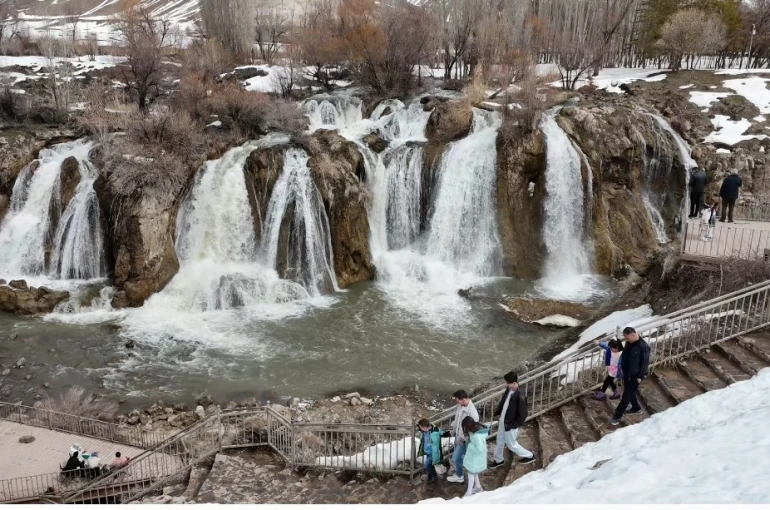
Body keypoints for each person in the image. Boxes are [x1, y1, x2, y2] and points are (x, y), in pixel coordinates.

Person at [490, 371, 535, 468]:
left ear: (514, 383)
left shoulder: (520, 396)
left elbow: (523, 414)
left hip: (510, 425)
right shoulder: (509, 389)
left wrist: (514, 425)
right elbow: (504, 402)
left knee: (511, 444)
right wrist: (499, 413)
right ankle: (498, 460)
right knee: (500, 441)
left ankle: (529, 456)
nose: (507, 385)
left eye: (508, 383)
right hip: (504, 421)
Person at [611, 327, 651, 426]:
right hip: (627, 373)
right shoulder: (629, 343)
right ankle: (636, 408)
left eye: (627, 338)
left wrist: (640, 377)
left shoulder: (643, 346)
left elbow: (644, 364)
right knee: (629, 392)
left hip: (635, 376)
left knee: (626, 396)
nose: (626, 340)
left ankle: (617, 416)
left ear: (634, 334)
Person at [446, 390, 479, 484]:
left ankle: (461, 475)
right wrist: (453, 430)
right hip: (458, 435)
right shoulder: (460, 406)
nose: (457, 402)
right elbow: (457, 419)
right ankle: (459, 474)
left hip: (463, 439)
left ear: (463, 399)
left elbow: (471, 429)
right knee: (459, 457)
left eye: (458, 400)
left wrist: (463, 439)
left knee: (456, 457)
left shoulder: (473, 414)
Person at [460, 416, 489, 498]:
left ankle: (469, 493)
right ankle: (478, 487)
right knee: (474, 472)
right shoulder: (475, 431)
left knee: (471, 474)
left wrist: (470, 446)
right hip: (475, 457)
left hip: (475, 458)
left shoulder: (476, 436)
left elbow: (480, 448)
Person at [416, 418, 450, 484]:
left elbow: (443, 433)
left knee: (427, 465)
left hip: (433, 453)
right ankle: (430, 476)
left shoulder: (435, 431)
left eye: (420, 427)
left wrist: (448, 433)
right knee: (430, 465)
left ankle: (434, 476)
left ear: (424, 427)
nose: (420, 428)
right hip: (427, 452)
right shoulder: (424, 431)